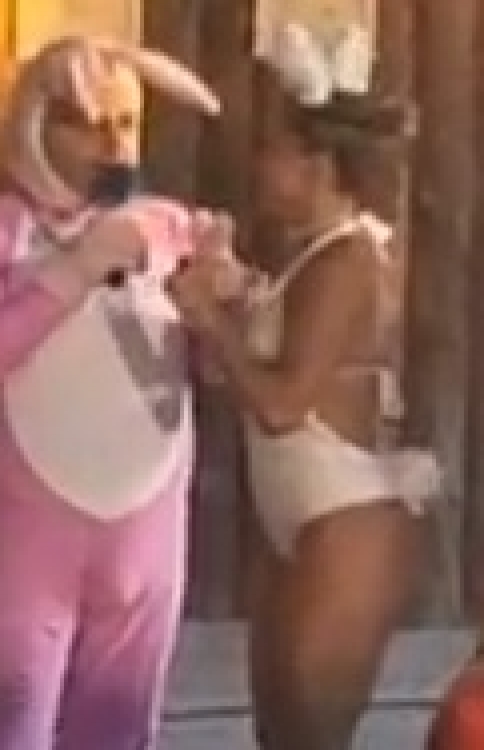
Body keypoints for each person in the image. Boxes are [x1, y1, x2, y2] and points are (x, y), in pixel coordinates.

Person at [169, 48, 442, 750]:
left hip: (345, 517)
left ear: (319, 167)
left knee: (312, 734)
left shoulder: (348, 259)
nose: (263, 167)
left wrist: (211, 320)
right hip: (297, 516)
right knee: (279, 732)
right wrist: (234, 296)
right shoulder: (309, 253)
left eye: (277, 153)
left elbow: (283, 405)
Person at [0, 35, 224, 750]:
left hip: (144, 528)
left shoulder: (167, 226)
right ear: (38, 123)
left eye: (126, 123)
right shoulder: (8, 229)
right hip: (28, 530)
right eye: (89, 124)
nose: (112, 144)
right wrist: (73, 272)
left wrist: (217, 309)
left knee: (119, 726)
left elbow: (210, 372)